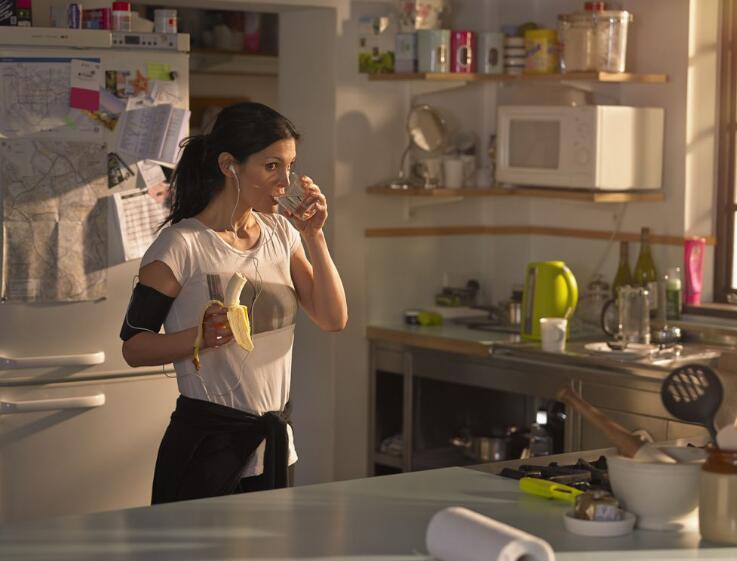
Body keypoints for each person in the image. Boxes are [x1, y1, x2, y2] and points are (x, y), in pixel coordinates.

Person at [120, 102, 347, 503]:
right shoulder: (181, 246)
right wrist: (200, 337)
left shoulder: (282, 233)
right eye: (272, 166)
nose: (285, 181)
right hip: (206, 447)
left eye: (290, 167)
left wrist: (314, 236)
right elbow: (134, 347)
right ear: (230, 165)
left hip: (273, 443)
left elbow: (333, 319)